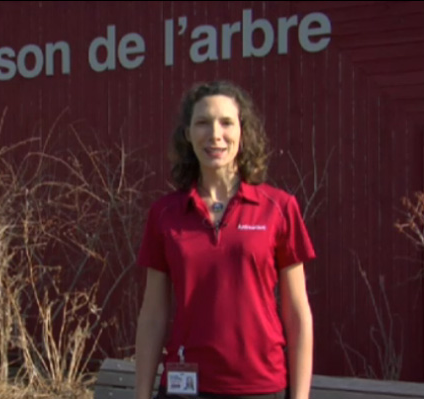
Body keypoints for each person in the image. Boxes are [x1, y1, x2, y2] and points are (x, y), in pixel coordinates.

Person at [134, 81, 315, 399]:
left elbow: (298, 313)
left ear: (242, 132)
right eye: (202, 122)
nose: (215, 134)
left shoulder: (280, 208)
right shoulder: (164, 214)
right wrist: (141, 395)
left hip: (261, 387)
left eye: (226, 122)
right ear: (188, 134)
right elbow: (153, 316)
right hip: (184, 388)